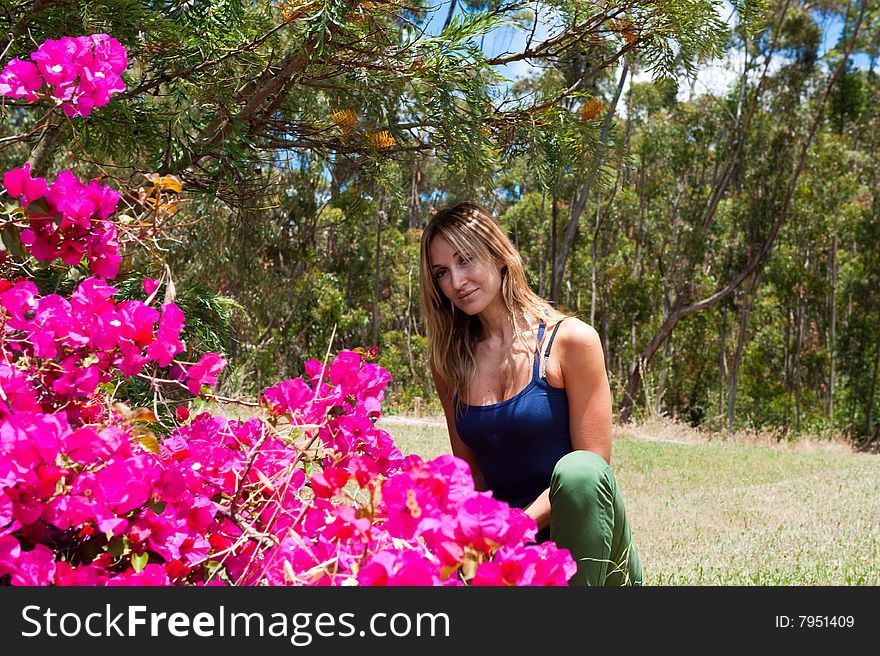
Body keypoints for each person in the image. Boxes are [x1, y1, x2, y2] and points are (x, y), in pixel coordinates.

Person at [418, 201, 642, 586]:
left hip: (591, 554)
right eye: (442, 272)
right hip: (508, 555)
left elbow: (592, 475)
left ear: (499, 255)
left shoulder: (571, 341)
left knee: (578, 471)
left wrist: (518, 524)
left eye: (466, 259)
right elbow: (471, 476)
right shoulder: (450, 361)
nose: (456, 282)